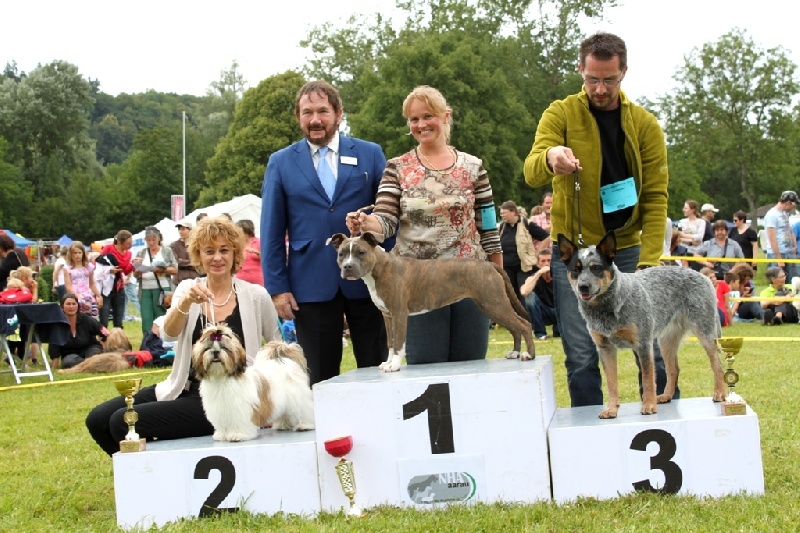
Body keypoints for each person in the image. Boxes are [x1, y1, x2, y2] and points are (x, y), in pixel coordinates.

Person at [523, 32, 677, 407]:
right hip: (574, 254)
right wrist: (550, 157)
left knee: (651, 347)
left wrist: (649, 261)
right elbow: (530, 170)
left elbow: (656, 197)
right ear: (581, 69)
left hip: (625, 249)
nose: (600, 88)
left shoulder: (645, 125)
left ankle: (662, 418)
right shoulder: (560, 113)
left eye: (609, 79)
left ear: (624, 72)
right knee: (579, 352)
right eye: (592, 78)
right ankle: (587, 438)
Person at [86, 217, 282, 456]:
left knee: (121, 421)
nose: (217, 258)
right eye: (209, 251)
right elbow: (168, 334)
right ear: (199, 255)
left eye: (224, 250)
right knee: (97, 419)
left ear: (235, 253)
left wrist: (268, 404)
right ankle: (137, 477)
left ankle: (152, 475)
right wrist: (186, 302)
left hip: (228, 399)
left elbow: (276, 347)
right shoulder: (186, 289)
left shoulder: (255, 295)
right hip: (182, 386)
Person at [348, 85, 502, 365]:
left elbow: (488, 227)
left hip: (469, 275)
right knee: (426, 372)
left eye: (427, 116)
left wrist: (499, 276)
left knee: (471, 368)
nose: (421, 124)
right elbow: (385, 219)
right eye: (414, 119)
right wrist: (366, 223)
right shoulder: (397, 168)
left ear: (445, 116)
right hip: (416, 282)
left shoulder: (474, 167)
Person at [261, 80, 389, 385]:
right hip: (310, 283)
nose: (315, 119)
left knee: (377, 368)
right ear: (298, 117)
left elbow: (388, 215)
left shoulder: (371, 154)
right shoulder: (280, 163)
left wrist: (389, 272)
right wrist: (278, 288)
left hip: (368, 279)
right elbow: (271, 231)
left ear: (338, 114)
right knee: (318, 376)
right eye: (307, 112)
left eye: (322, 111)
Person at [499, 200, 549, 303]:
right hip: (507, 267)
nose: (502, 216)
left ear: (513, 212)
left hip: (524, 267)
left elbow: (546, 237)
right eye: (501, 213)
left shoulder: (527, 224)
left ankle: (527, 317)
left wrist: (537, 253)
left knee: (524, 295)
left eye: (505, 213)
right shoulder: (502, 227)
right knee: (511, 296)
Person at [133, 227, 178, 335]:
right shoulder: (142, 253)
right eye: (148, 240)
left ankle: (163, 341)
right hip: (145, 289)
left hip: (162, 288)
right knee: (146, 317)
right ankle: (148, 342)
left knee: (161, 316)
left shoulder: (166, 251)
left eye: (153, 240)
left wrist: (163, 269)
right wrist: (138, 270)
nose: (151, 242)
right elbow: (135, 274)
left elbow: (175, 269)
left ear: (159, 239)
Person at [50, 293, 109, 369]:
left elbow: (105, 332)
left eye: (74, 304)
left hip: (90, 349)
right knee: (68, 363)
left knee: (95, 354)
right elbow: (54, 349)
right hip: (70, 355)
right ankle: (90, 364)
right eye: (68, 304)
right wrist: (53, 367)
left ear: (78, 306)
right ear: (62, 307)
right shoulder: (58, 325)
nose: (71, 307)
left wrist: (106, 345)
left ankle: (86, 364)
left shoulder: (86, 319)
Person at [520, 248, 559, 341]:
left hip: (560, 312)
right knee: (530, 296)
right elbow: (524, 292)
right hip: (543, 312)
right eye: (543, 261)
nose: (546, 263)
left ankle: (559, 330)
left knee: (558, 334)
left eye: (549, 260)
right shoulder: (534, 277)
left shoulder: (559, 276)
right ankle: (540, 333)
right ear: (538, 264)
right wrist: (539, 273)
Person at [99, 230, 135, 329]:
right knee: (104, 318)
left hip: (119, 287)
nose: (130, 245)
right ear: (119, 242)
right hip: (106, 287)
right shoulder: (108, 249)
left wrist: (133, 264)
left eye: (131, 243)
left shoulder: (128, 254)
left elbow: (126, 271)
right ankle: (103, 340)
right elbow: (98, 264)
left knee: (119, 320)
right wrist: (109, 270)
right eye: (128, 243)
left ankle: (118, 340)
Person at [763, 190, 798, 282]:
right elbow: (772, 238)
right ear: (788, 203)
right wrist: (779, 258)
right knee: (777, 282)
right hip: (776, 254)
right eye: (794, 205)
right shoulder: (771, 215)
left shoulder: (785, 213)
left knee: (793, 282)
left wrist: (795, 245)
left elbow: (789, 230)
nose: (795, 207)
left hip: (789, 253)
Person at [64, 241, 102, 318]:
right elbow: (68, 287)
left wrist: (99, 296)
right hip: (75, 298)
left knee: (91, 320)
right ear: (71, 254)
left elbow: (92, 284)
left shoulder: (89, 267)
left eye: (79, 252)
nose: (77, 255)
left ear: (83, 253)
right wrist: (79, 299)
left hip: (88, 296)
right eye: (75, 253)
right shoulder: (67, 268)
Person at [235, 219, 263, 286]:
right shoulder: (238, 244)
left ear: (246, 230)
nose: (237, 233)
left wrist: (257, 253)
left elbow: (267, 260)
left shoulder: (259, 242)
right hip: (240, 281)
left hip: (258, 281)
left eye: (239, 231)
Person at [170, 222, 198, 286]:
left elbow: (198, 261)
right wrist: (192, 263)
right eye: (179, 229)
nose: (180, 231)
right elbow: (176, 262)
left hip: (194, 279)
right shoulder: (174, 245)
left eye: (183, 229)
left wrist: (182, 261)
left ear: (190, 230)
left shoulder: (196, 245)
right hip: (179, 280)